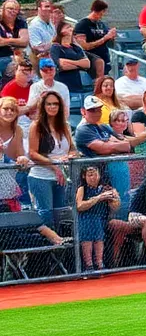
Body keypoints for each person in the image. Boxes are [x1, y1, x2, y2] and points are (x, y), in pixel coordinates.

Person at [26, 89, 77, 247]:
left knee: (60, 214)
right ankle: (46, 252)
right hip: (41, 176)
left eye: (55, 104)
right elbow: (32, 153)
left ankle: (60, 248)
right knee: (46, 214)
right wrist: (54, 165)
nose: (52, 107)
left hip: (61, 176)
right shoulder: (36, 126)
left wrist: (71, 156)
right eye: (49, 104)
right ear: (43, 106)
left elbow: (72, 149)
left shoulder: (65, 126)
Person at [75, 164, 122, 273]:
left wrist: (113, 197)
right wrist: (99, 198)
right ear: (84, 176)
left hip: (101, 220)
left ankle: (99, 263)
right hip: (85, 219)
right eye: (90, 175)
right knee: (89, 223)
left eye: (95, 174)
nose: (93, 177)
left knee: (97, 225)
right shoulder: (82, 189)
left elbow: (116, 207)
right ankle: (89, 265)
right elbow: (80, 206)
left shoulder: (105, 188)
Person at [73, 0, 118, 80]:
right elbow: (84, 46)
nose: (101, 15)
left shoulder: (101, 24)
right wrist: (105, 38)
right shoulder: (82, 25)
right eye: (100, 12)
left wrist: (112, 36)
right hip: (92, 61)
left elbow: (109, 41)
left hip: (105, 59)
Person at [51, 22, 90, 93]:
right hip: (62, 83)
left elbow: (87, 64)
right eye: (67, 27)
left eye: (70, 27)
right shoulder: (56, 47)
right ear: (60, 31)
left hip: (76, 84)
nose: (70, 29)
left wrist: (71, 63)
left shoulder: (75, 47)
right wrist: (79, 65)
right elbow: (62, 65)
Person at [1, 0, 31, 67]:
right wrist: (16, 42)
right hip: (2, 57)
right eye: (10, 9)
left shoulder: (20, 21)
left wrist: (6, 41)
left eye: (16, 9)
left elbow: (24, 42)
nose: (13, 11)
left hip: (17, 56)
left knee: (29, 65)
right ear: (3, 10)